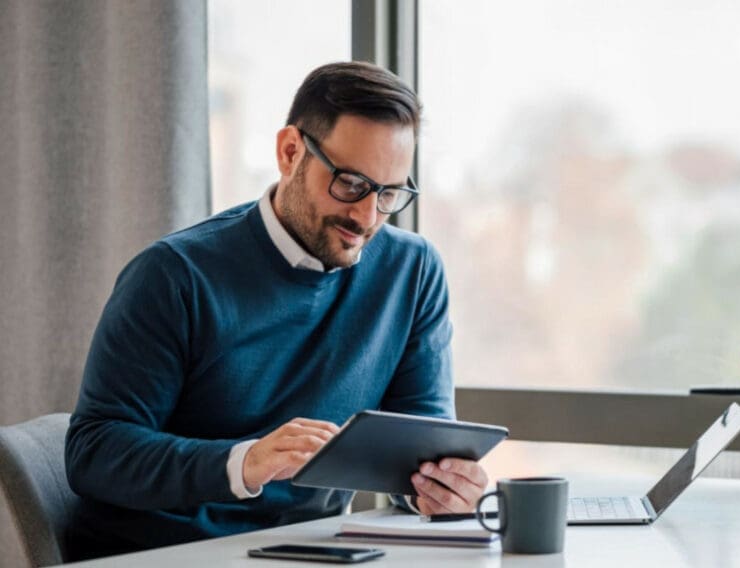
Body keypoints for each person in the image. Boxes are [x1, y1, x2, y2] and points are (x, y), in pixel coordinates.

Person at [64, 61, 487, 560]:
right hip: (162, 553)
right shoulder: (174, 275)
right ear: (290, 152)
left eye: (388, 193)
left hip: (311, 551)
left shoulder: (412, 273)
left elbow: (418, 452)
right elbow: (94, 453)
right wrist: (245, 461)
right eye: (350, 184)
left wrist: (440, 487)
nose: (367, 216)